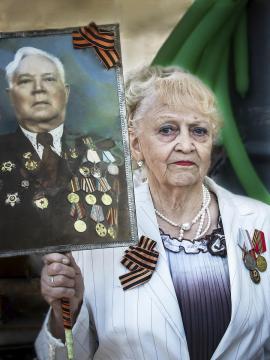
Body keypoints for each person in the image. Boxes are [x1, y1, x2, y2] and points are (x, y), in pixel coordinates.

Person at [35, 66, 270, 360]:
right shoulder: (95, 231)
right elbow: (63, 356)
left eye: (198, 131)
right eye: (167, 130)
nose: (186, 145)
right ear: (136, 144)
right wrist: (66, 312)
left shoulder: (261, 222)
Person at [0, 47, 123, 253]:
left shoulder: (101, 151)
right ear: (11, 96)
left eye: (49, 79)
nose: (39, 88)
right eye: (25, 81)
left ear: (65, 92)